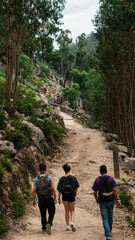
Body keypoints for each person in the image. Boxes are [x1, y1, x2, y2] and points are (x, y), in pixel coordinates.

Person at [92, 165, 121, 240]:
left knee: (105, 218)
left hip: (102, 201)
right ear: (106, 171)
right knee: (110, 217)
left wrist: (96, 199)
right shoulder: (111, 178)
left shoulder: (97, 180)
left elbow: (94, 192)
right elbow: (115, 189)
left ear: (100, 171)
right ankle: (109, 231)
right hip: (111, 200)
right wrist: (118, 200)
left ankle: (108, 235)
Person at [32, 163, 57, 234]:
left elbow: (34, 190)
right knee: (52, 211)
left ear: (39, 170)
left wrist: (33, 200)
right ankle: (49, 223)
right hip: (49, 198)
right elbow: (52, 188)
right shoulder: (49, 177)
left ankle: (44, 229)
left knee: (43, 213)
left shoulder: (37, 179)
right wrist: (55, 198)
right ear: (46, 169)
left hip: (41, 199)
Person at [57, 164, 79, 232]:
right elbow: (76, 187)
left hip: (64, 196)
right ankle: (72, 222)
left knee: (66, 210)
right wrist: (75, 193)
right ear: (70, 169)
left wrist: (59, 198)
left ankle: (67, 226)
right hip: (71, 195)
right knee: (72, 210)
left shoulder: (61, 179)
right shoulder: (73, 178)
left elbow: (59, 190)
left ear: (64, 170)